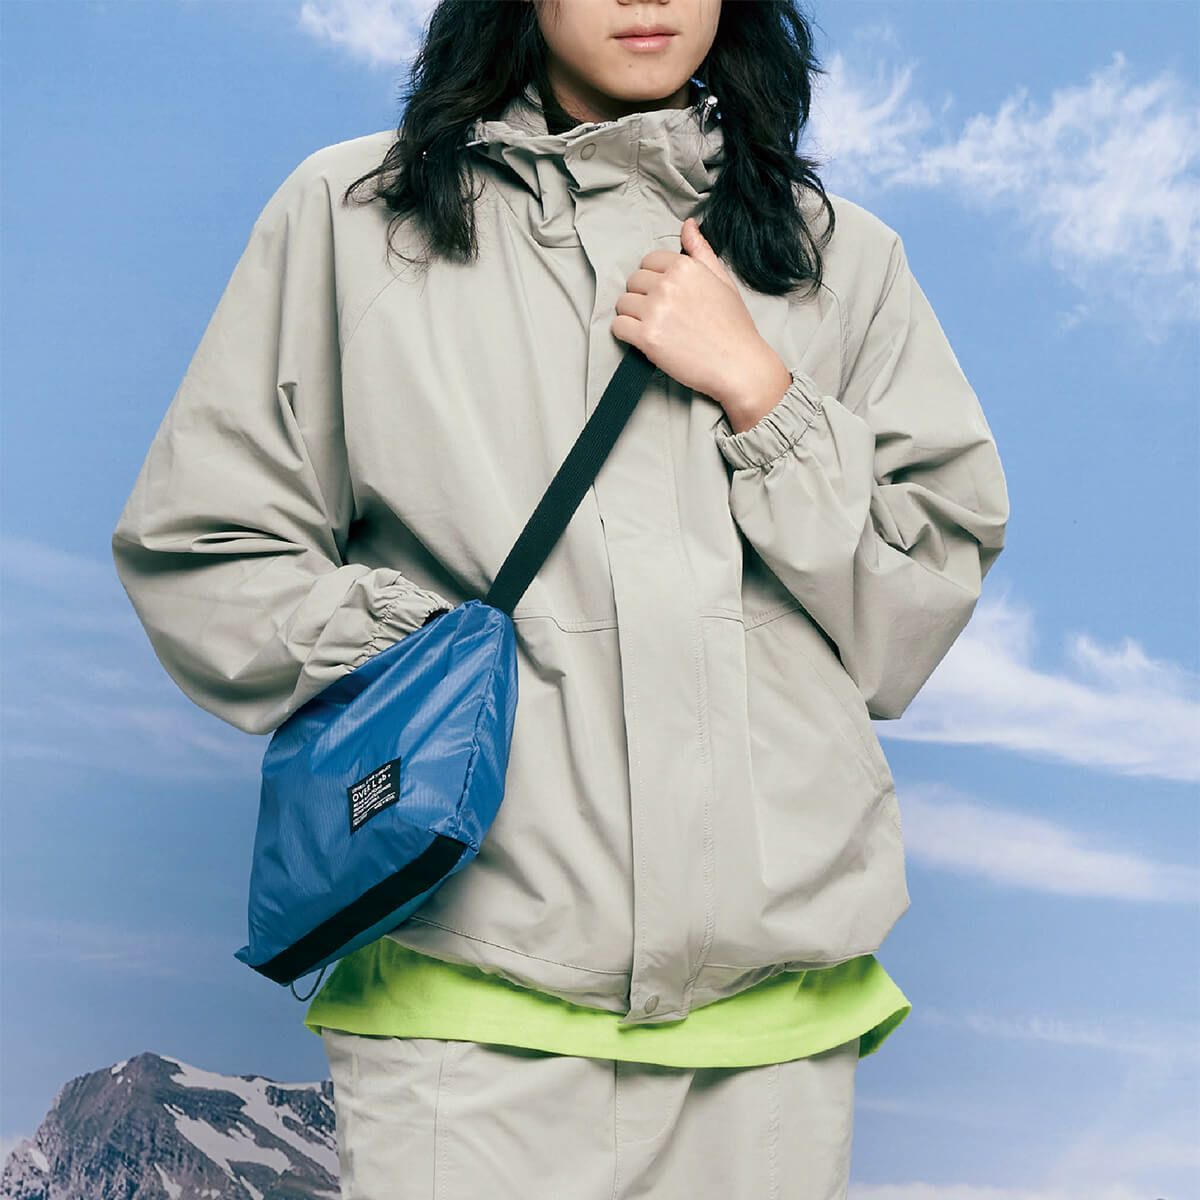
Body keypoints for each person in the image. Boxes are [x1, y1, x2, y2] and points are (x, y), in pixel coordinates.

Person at [110, 1, 1010, 1196]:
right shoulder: (356, 220)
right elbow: (206, 541)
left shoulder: (841, 262)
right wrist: (430, 659)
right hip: (466, 1018)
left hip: (775, 1038)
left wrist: (764, 394)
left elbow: (914, 606)